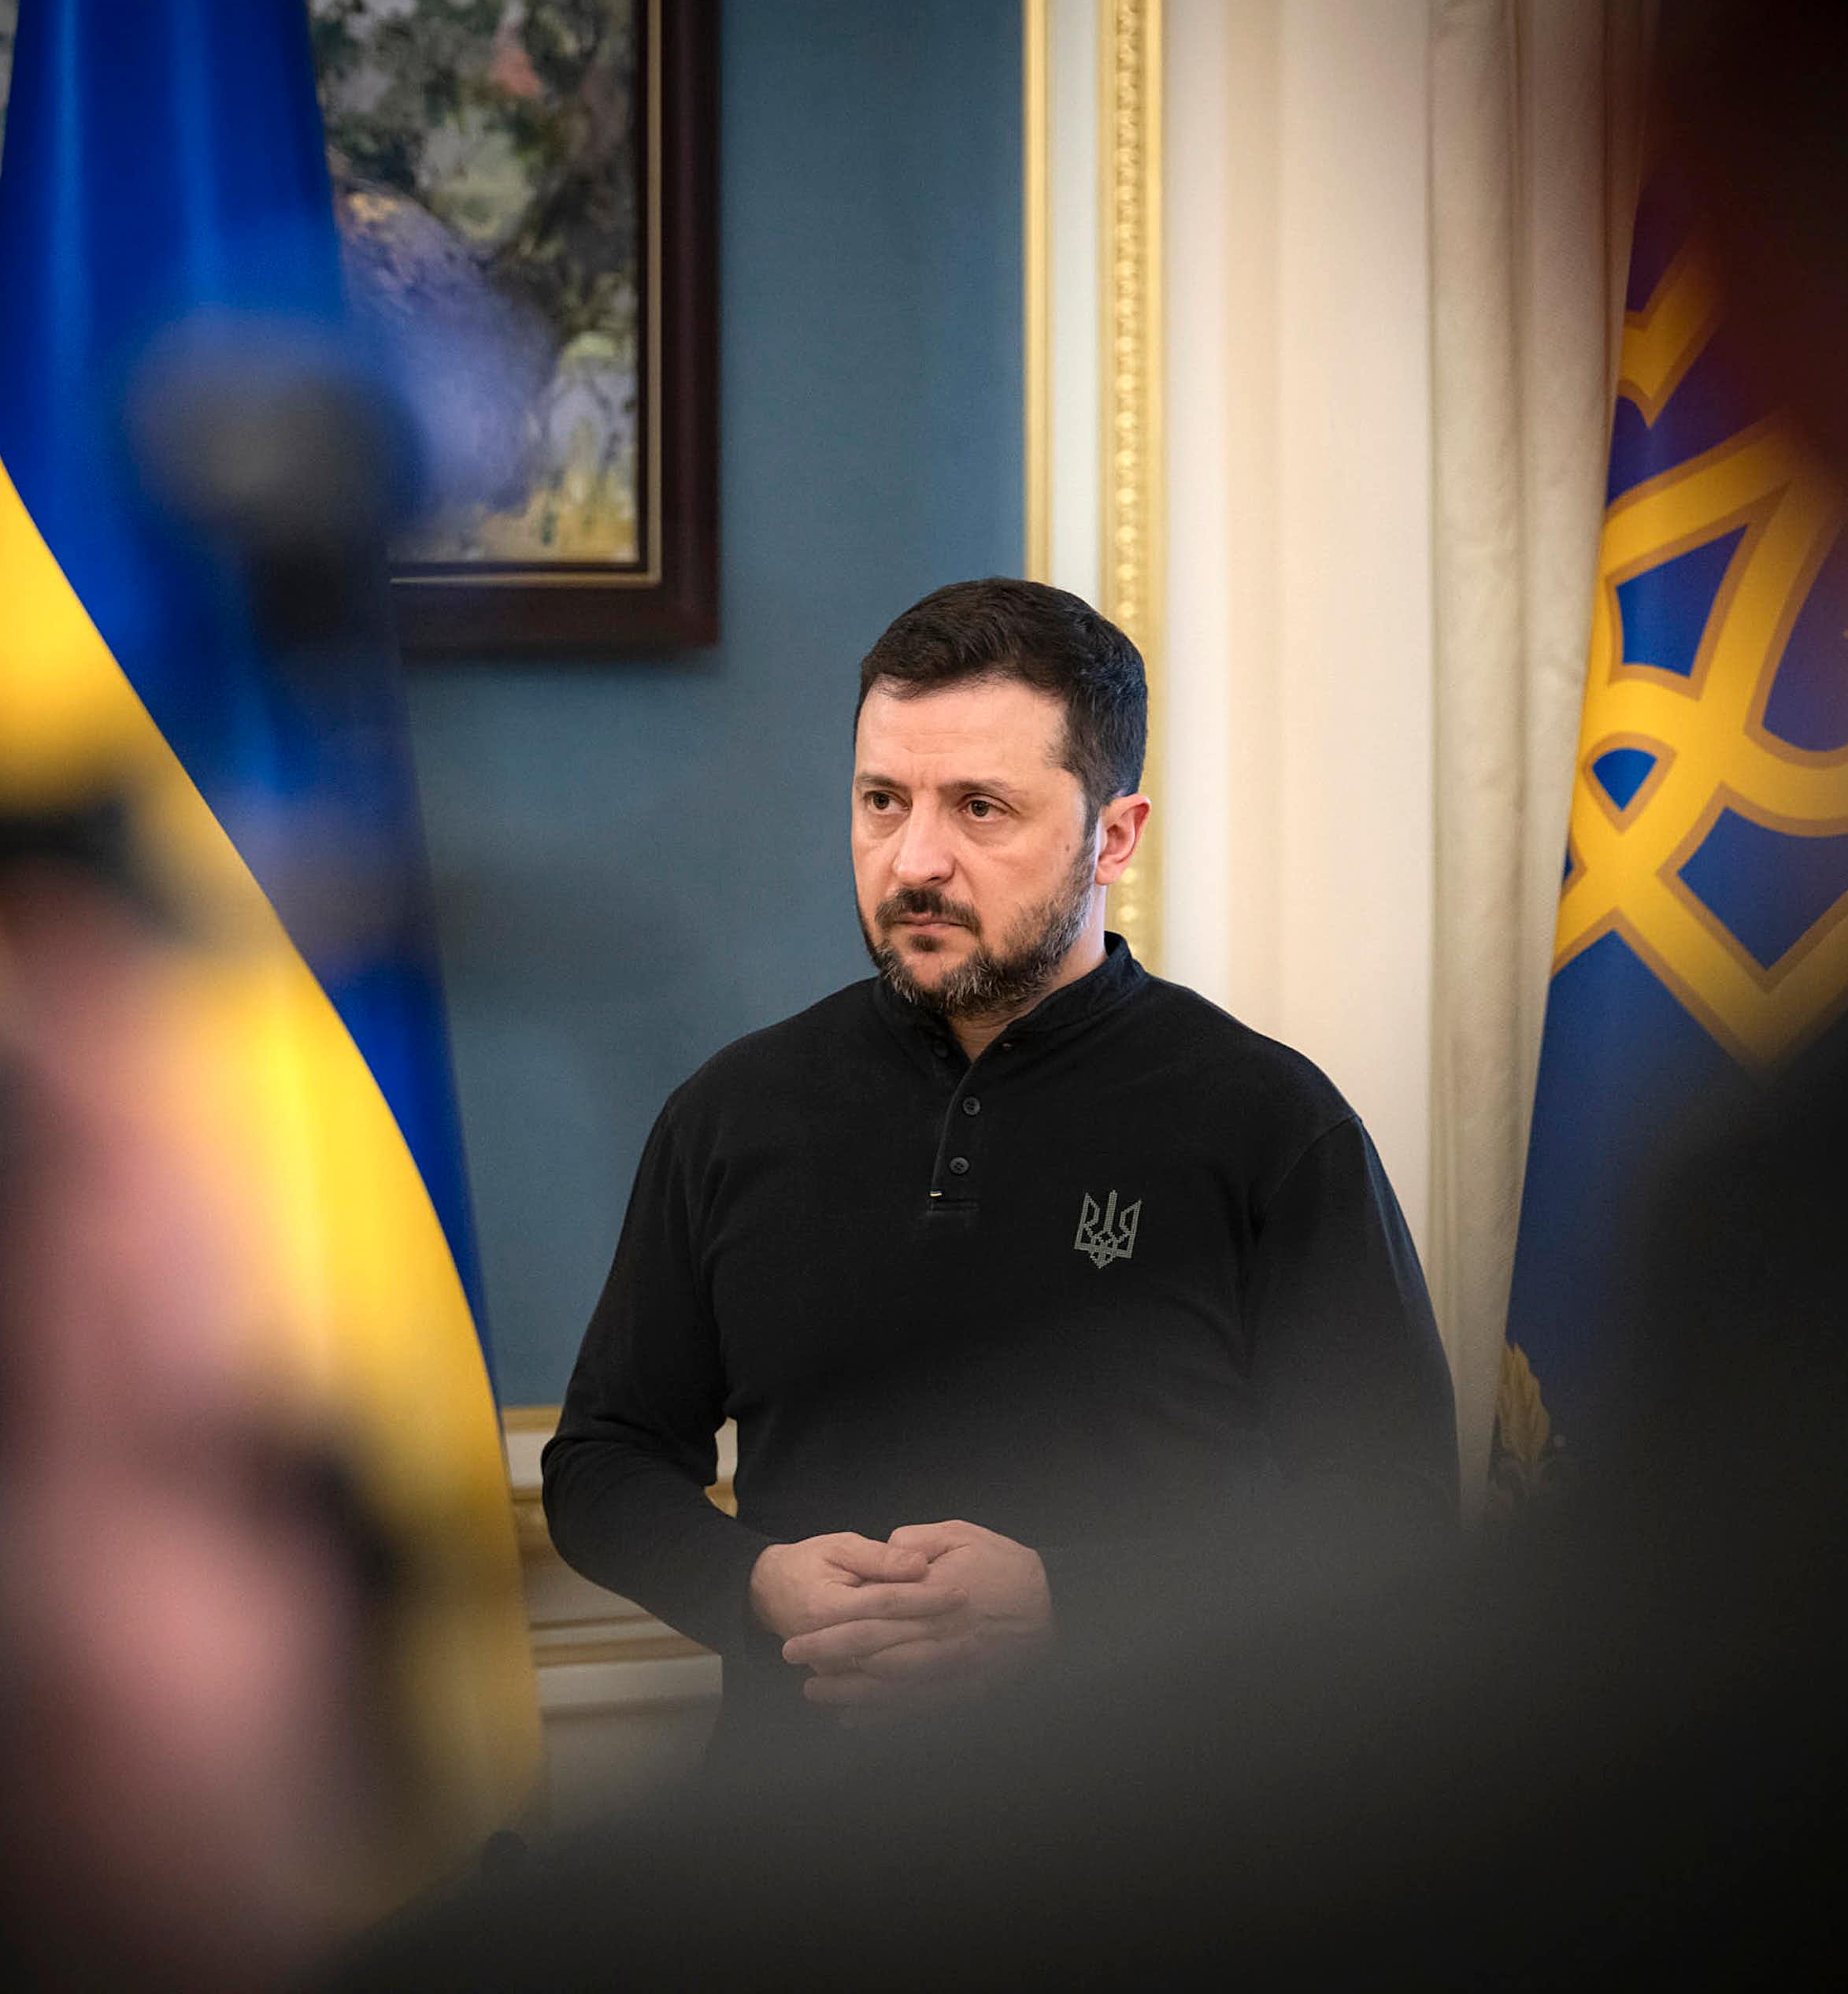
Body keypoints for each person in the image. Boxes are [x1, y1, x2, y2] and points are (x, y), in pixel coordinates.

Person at [539, 578, 1455, 1773]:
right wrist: (751, 1583)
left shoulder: (1270, 1121)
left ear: (1112, 837)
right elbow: (601, 1463)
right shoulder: (730, 1111)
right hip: (796, 1868)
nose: (916, 859)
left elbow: (1391, 1510)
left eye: (981, 808)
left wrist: (1070, 1605)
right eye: (882, 802)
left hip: (1173, 1865)